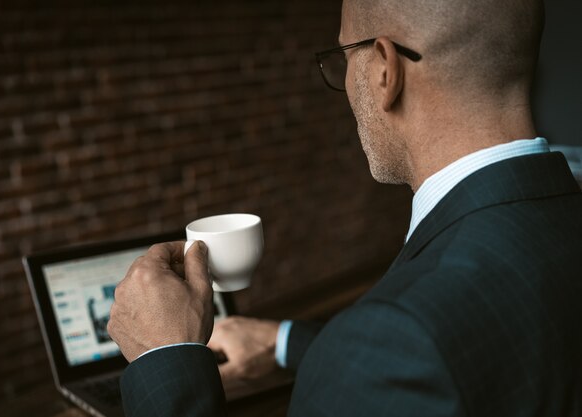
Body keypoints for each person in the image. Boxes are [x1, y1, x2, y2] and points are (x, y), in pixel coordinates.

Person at [107, 0, 582, 415]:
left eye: (343, 55)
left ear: (383, 68)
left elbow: (414, 351)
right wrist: (288, 343)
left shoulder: (393, 341)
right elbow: (475, 345)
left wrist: (164, 358)